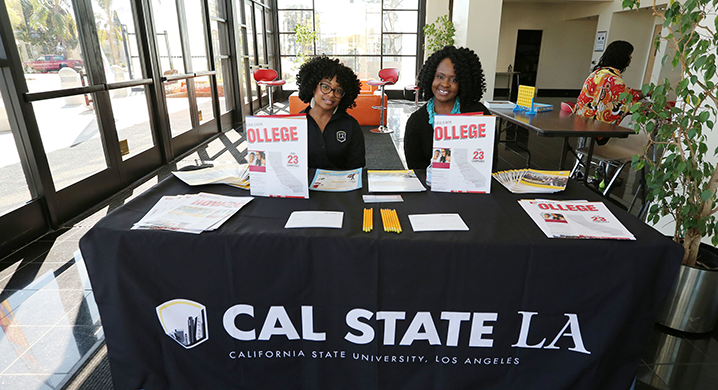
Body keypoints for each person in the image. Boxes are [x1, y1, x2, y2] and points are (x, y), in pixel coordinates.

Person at [404, 46, 489, 169]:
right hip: (430, 186)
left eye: (454, 79)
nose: (445, 84)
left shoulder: (479, 114)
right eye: (440, 76)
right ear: (431, 77)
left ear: (464, 83)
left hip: (471, 184)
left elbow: (490, 160)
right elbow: (415, 167)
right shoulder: (416, 121)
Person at [296, 56, 365, 170]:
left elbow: (357, 166)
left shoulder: (351, 126)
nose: (331, 94)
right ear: (313, 87)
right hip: (306, 187)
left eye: (338, 90)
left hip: (341, 186)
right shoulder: (295, 125)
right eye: (325, 86)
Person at [574, 40, 644, 143]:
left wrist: (645, 92)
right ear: (622, 57)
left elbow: (624, 91)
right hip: (595, 127)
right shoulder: (613, 80)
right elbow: (625, 99)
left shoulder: (599, 73)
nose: (631, 58)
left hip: (582, 120)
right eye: (629, 55)